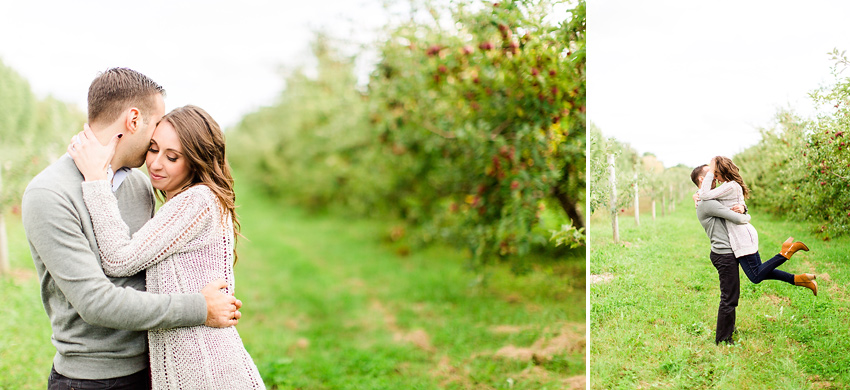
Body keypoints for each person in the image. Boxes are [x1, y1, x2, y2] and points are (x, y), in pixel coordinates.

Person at [22, 68, 242, 389]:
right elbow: (96, 303)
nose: (161, 134)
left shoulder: (140, 184)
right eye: (157, 123)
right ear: (135, 120)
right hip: (93, 379)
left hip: (157, 368)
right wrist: (199, 306)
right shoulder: (49, 193)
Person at [68, 105, 265, 388]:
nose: (156, 164)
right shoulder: (187, 202)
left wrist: (97, 179)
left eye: (172, 157)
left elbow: (118, 259)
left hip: (207, 372)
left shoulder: (196, 201)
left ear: (198, 160)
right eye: (153, 149)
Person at [697, 157, 817, 295]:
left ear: (723, 171)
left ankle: (785, 252)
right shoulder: (730, 186)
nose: (716, 178)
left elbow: (705, 195)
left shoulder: (729, 186)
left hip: (741, 234)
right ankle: (799, 279)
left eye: (716, 174)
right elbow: (706, 196)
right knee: (759, 270)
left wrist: (711, 169)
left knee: (755, 276)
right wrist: (697, 196)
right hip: (742, 233)